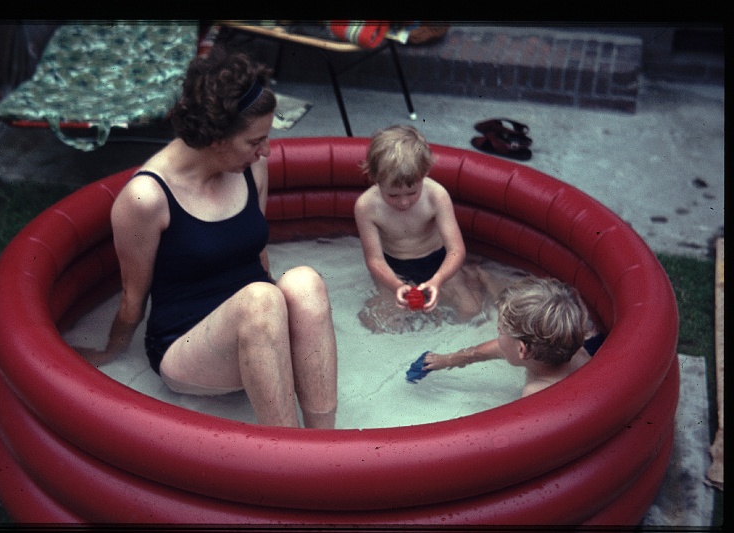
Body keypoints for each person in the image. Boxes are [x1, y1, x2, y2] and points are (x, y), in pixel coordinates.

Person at [74, 47, 337, 429]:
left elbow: (257, 252)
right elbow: (132, 298)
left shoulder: (252, 166)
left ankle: (327, 443)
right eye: (255, 141)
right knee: (261, 299)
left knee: (305, 282)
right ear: (216, 139)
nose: (266, 150)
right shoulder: (146, 198)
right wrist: (111, 354)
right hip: (186, 347)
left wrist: (281, 328)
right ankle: (288, 453)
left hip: (260, 325)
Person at [354, 125, 486, 326]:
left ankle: (473, 280)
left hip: (436, 262)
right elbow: (375, 260)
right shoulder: (366, 206)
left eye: (412, 193)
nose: (404, 202)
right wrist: (396, 285)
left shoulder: (436, 195)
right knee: (383, 323)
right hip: (392, 268)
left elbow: (456, 250)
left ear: (424, 174)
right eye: (393, 195)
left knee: (471, 310)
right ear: (375, 178)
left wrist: (437, 280)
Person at [422, 276, 594, 397]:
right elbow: (491, 350)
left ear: (522, 350)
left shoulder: (537, 391)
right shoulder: (569, 344)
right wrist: (449, 360)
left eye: (501, 331)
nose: (497, 331)